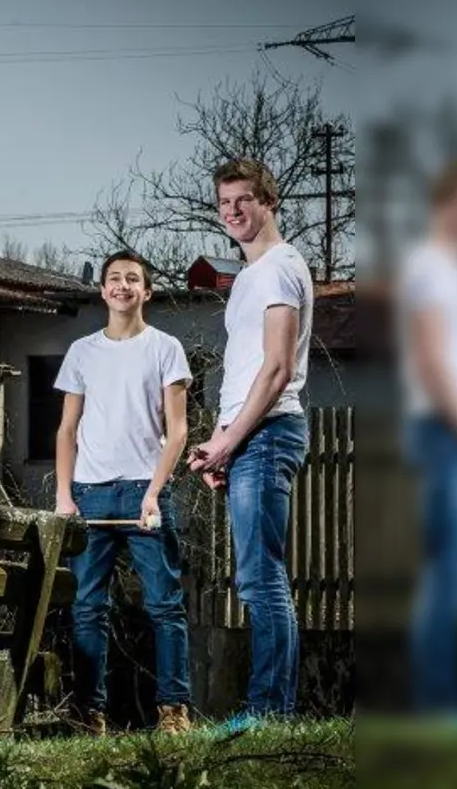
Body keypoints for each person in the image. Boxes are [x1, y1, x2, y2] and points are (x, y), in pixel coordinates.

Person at [187, 158, 314, 730]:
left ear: (269, 201)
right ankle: (268, 707)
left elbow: (279, 367)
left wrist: (232, 440)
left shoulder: (280, 268)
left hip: (268, 433)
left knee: (262, 577)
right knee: (256, 576)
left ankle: (269, 710)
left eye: (243, 199)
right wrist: (220, 443)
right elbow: (243, 373)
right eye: (223, 203)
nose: (233, 211)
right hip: (248, 438)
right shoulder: (249, 277)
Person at [53, 251, 193, 735]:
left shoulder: (165, 348)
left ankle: (174, 711)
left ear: (147, 291)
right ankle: (90, 714)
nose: (122, 286)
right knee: (87, 607)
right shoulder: (82, 352)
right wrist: (64, 496)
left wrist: (154, 491)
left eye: (133, 279)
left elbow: (177, 431)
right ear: (102, 290)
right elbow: (67, 429)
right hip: (89, 494)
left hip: (143, 493)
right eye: (114, 278)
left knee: (164, 604)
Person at [399, 158, 457, 721]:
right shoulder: (428, 265)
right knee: (448, 569)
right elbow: (432, 363)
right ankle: (437, 702)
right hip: (448, 436)